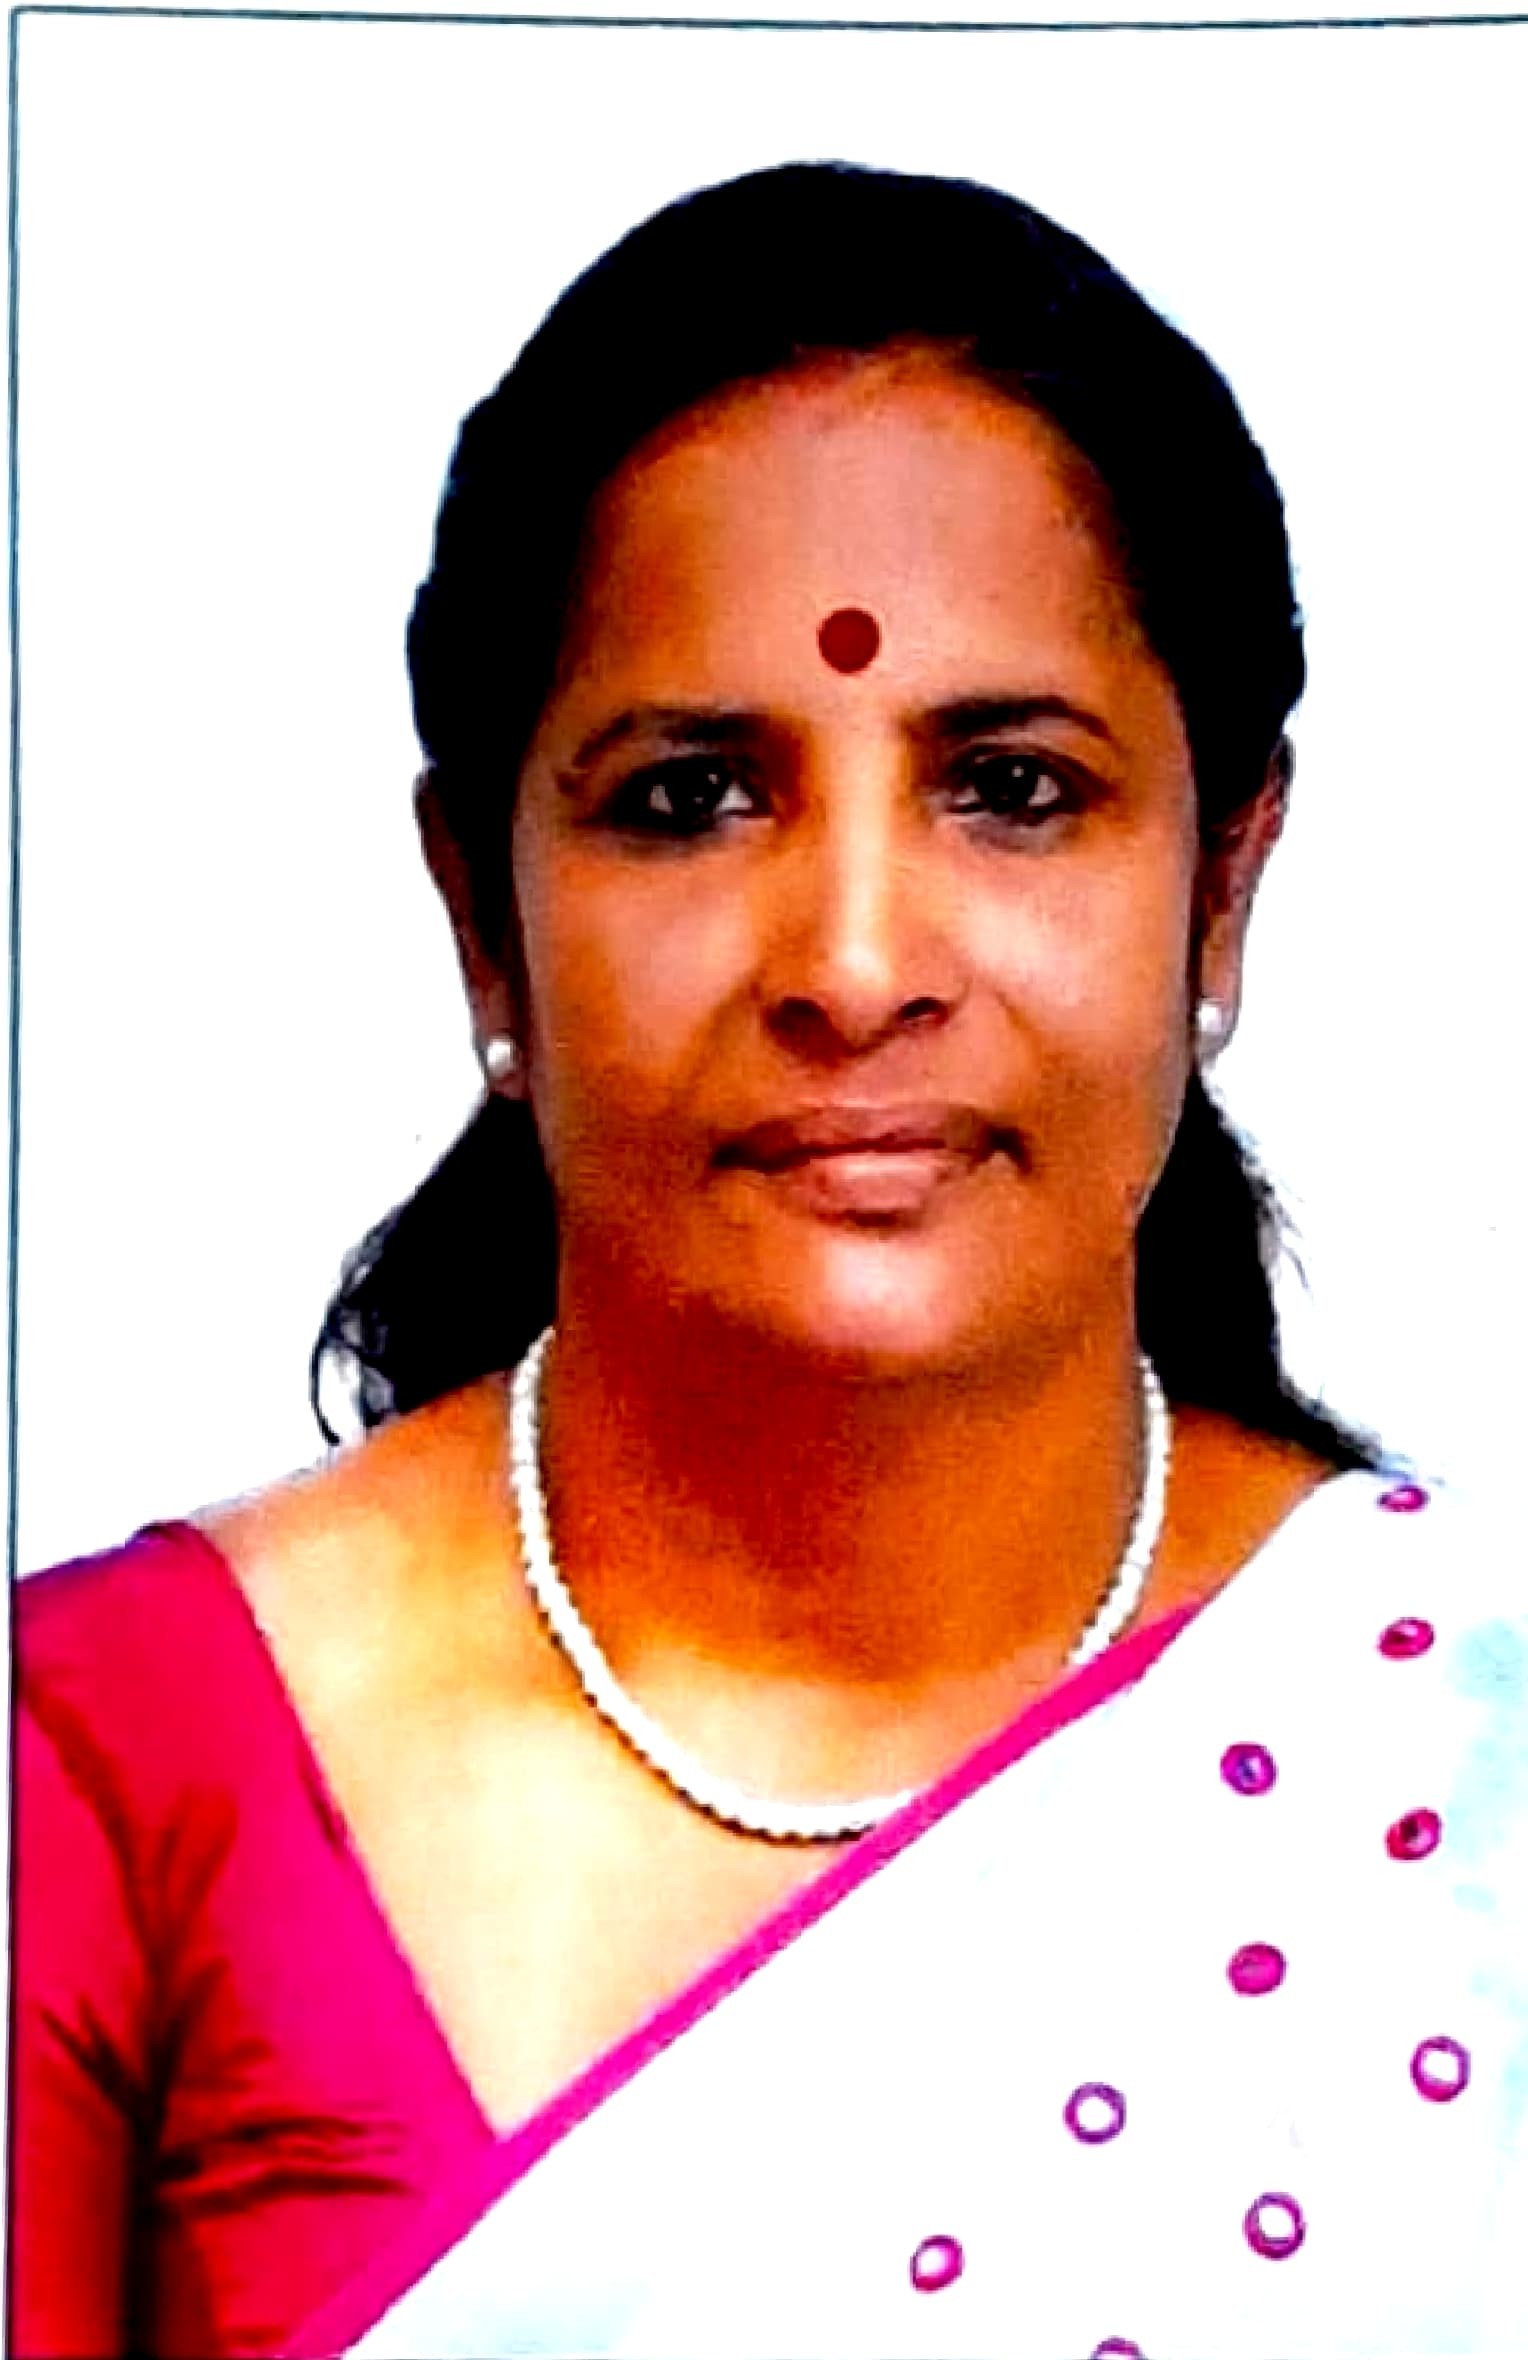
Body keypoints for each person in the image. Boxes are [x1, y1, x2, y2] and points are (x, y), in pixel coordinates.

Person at [10, 162, 1525, 2360]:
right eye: (690, 798)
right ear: (480, 913)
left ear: (1223, 885)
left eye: (1010, 788)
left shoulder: (1465, 1764)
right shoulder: (95, 1776)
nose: (853, 962)